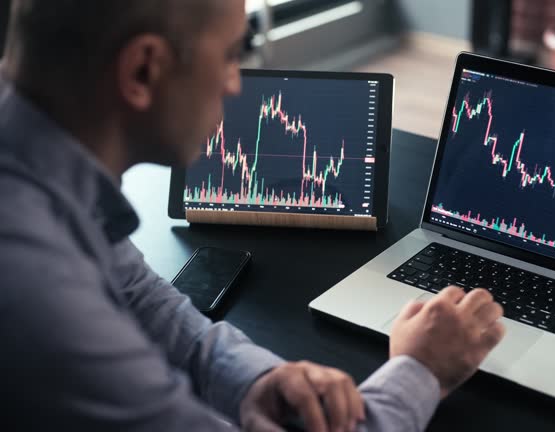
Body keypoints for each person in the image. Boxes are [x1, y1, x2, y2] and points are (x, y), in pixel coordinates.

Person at [0, 1, 506, 431]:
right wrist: (421, 371)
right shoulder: (39, 293)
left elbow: (136, 292)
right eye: (228, 55)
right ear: (142, 71)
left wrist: (255, 377)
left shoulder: (44, 170)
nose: (236, 84)